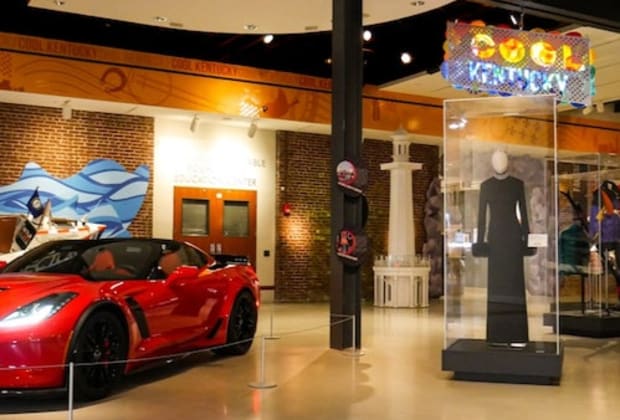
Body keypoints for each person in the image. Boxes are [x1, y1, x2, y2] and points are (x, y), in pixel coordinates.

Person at [472, 150, 533, 346]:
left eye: (503, 159)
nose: (500, 163)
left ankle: (517, 334)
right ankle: (497, 335)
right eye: (497, 160)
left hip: (512, 238)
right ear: (492, 163)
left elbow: (524, 214)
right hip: (496, 239)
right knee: (497, 286)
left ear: (507, 162)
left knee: (515, 285)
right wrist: (480, 242)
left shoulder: (517, 184)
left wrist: (527, 240)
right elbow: (481, 218)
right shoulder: (486, 186)